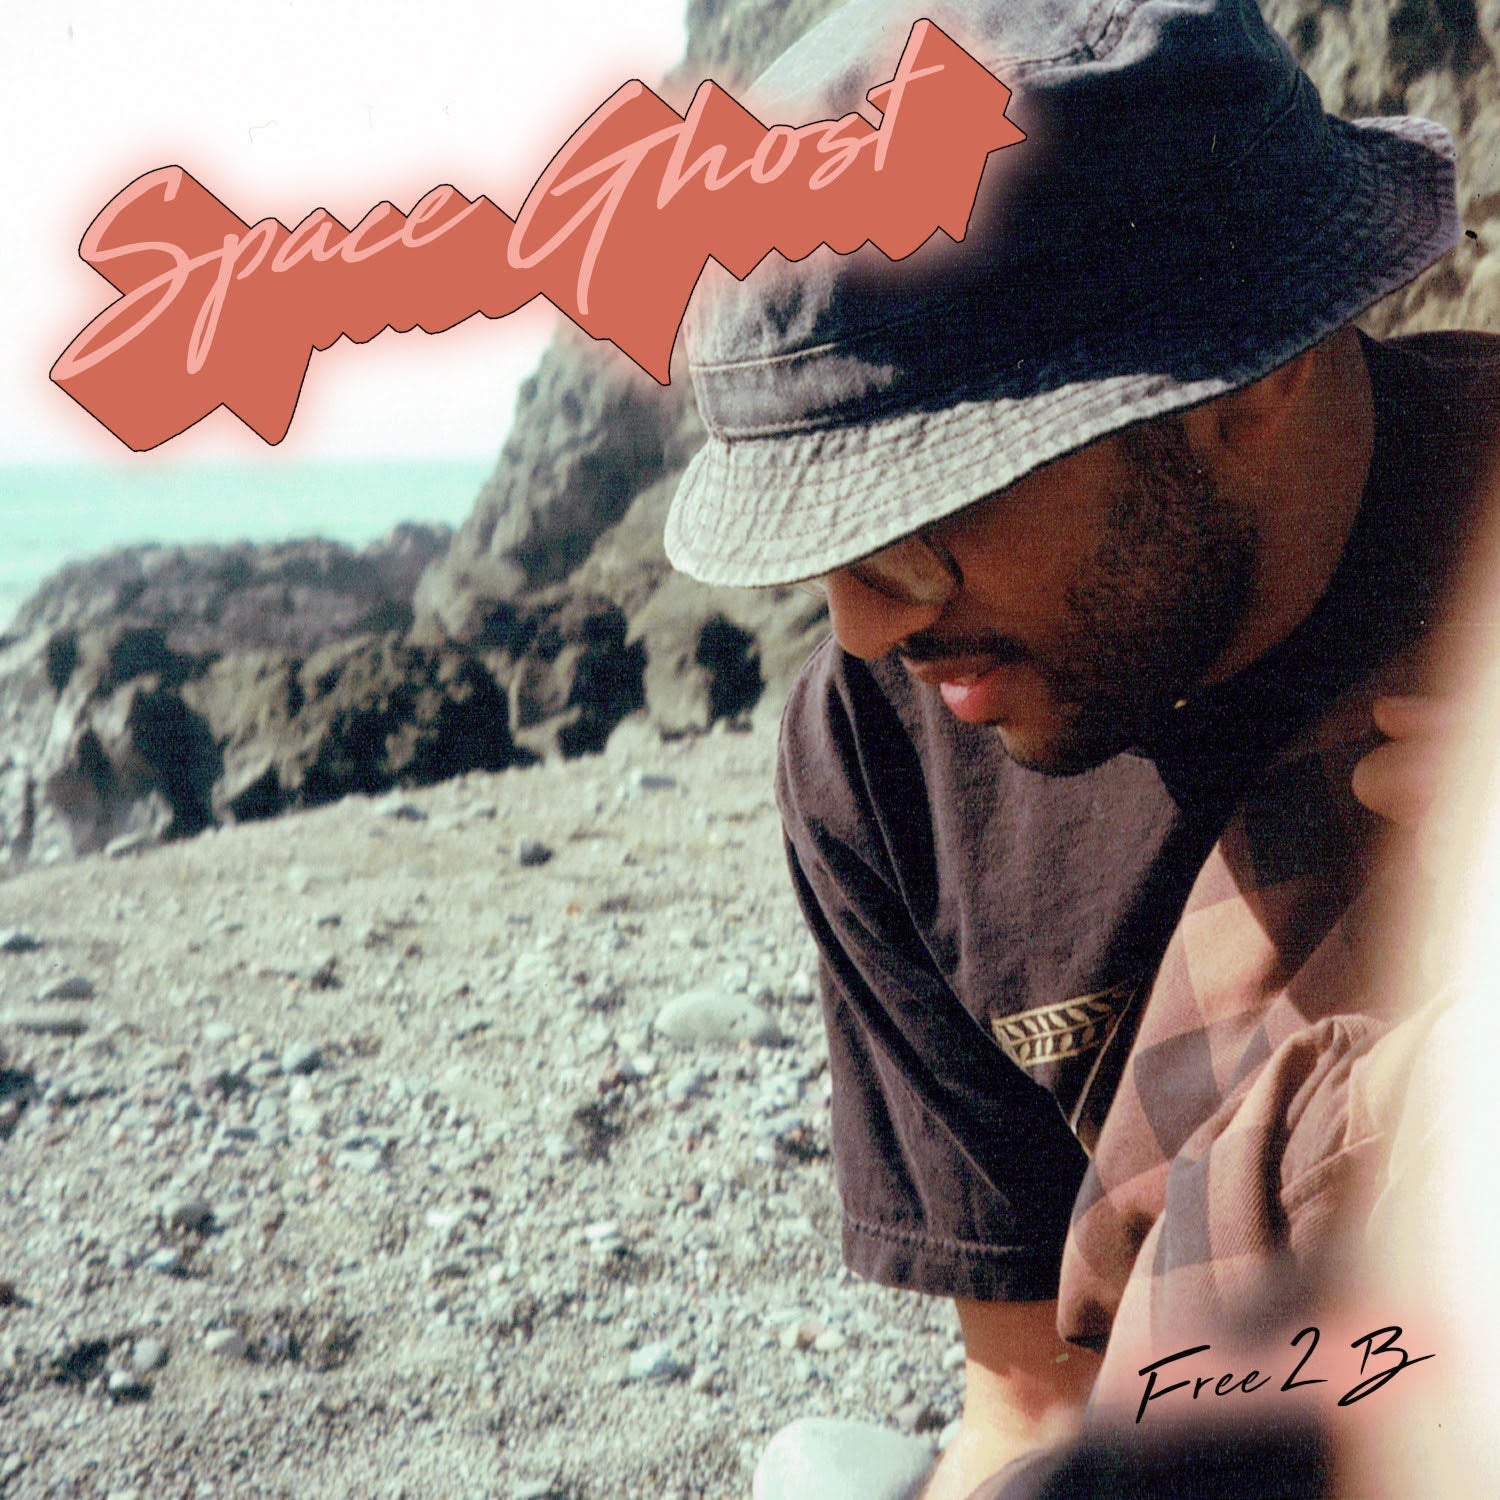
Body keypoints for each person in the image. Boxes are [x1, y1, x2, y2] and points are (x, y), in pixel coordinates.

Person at [664, 0, 1500, 1495]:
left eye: (922, 513)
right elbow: (1040, 1403)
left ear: (1251, 381)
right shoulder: (881, 752)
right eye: (820, 539)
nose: (863, 621)